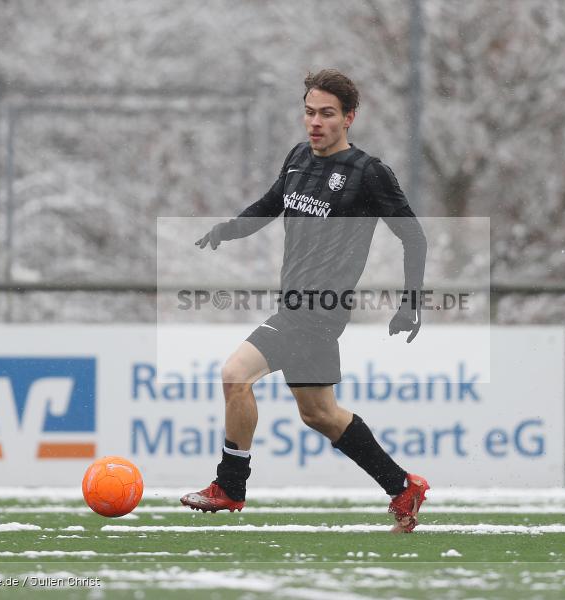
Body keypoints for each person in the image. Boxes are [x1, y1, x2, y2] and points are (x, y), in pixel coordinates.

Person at [181, 69, 429, 533]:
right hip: (296, 302)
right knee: (320, 413)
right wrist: (228, 228)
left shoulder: (369, 173)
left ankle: (230, 485)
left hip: (318, 309)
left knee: (235, 375)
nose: (315, 122)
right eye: (310, 112)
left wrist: (410, 302)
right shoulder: (298, 158)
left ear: (349, 117)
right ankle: (403, 487)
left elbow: (414, 238)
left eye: (327, 114)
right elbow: (270, 203)